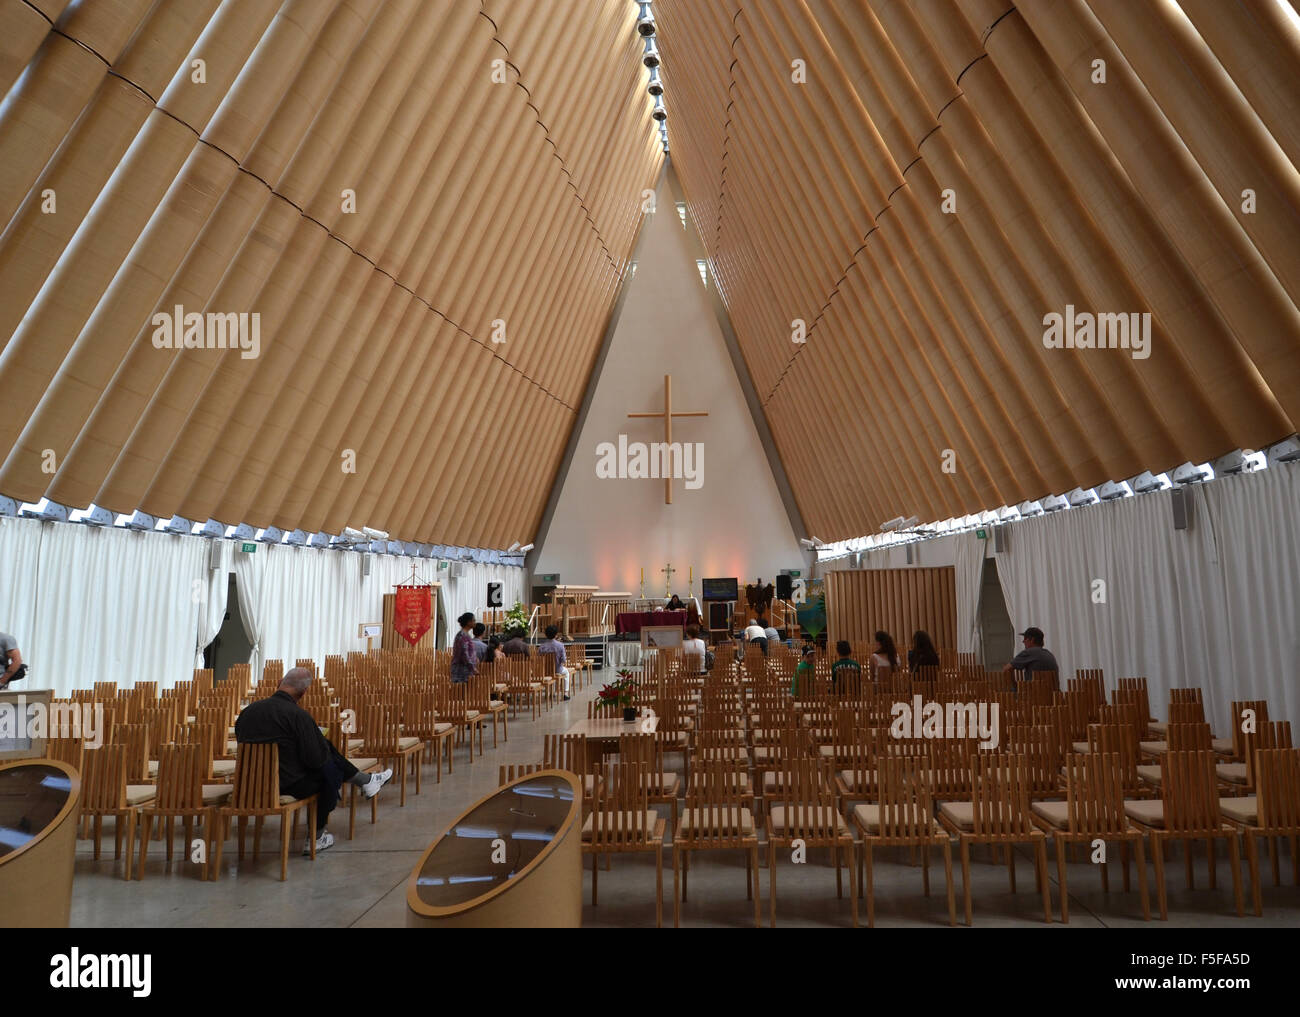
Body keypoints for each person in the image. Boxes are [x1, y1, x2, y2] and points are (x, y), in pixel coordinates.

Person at [235, 667, 392, 855]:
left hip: (249, 785)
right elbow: (315, 760)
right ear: (304, 692)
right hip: (287, 785)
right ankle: (316, 837)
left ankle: (365, 781)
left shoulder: (247, 713)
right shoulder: (298, 716)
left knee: (324, 752)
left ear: (279, 683)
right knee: (328, 772)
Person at [536, 624, 570, 700]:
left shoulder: (542, 646)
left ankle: (552, 693)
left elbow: (538, 659)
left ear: (546, 635)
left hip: (545, 670)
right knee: (566, 673)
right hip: (557, 669)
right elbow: (564, 660)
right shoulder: (560, 645)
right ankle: (565, 693)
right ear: (556, 634)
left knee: (551, 673)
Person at [450, 612, 478, 684]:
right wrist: (472, 667)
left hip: (465, 670)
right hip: (461, 671)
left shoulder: (465, 635)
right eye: (474, 620)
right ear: (469, 622)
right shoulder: (462, 636)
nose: (475, 622)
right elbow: (464, 654)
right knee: (460, 692)